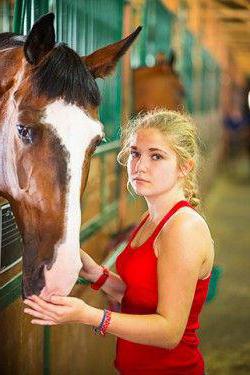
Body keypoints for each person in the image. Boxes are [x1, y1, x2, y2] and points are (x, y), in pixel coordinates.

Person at [24, 109, 214, 375]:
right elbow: (139, 297)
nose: (140, 166)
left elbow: (170, 331)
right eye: (135, 153)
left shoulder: (183, 228)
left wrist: (89, 315)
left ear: (185, 166)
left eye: (156, 156)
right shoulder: (151, 217)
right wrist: (95, 273)